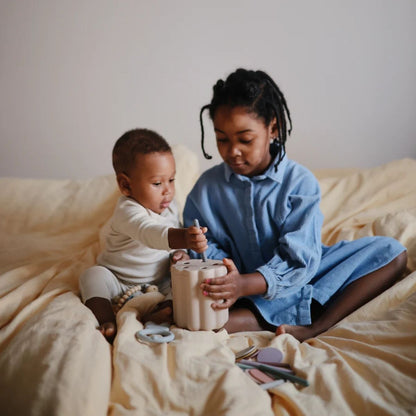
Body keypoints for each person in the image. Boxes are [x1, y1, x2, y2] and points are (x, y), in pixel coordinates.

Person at [183, 68, 408, 342]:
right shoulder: (205, 190)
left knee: (391, 252)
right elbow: (204, 249)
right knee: (205, 317)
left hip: (304, 275)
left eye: (245, 139)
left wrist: (246, 284)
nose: (233, 151)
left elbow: (301, 260)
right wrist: (232, 282)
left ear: (273, 129)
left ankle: (318, 325)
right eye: (222, 139)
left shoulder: (300, 183)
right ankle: (258, 313)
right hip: (238, 288)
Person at [79, 128, 207, 343]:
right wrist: (183, 238)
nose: (167, 190)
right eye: (157, 183)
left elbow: (173, 237)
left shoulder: (171, 206)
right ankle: (107, 320)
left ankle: (161, 313)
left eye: (172, 180)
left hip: (160, 279)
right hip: (119, 280)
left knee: (184, 284)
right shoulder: (127, 211)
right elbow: (150, 233)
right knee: (92, 276)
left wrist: (181, 253)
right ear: (126, 185)